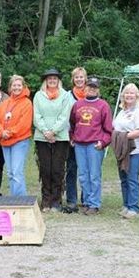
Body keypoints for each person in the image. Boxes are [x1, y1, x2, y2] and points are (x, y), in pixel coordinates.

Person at [70, 77, 113, 216]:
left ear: (98, 90)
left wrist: (103, 142)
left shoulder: (103, 105)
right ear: (85, 88)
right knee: (83, 175)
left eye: (94, 87)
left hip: (94, 145)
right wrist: (72, 137)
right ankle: (87, 202)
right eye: (89, 87)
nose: (91, 89)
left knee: (94, 175)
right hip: (79, 145)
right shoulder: (78, 104)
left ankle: (94, 204)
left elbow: (108, 129)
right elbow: (72, 123)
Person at [33, 68, 75, 212]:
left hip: (60, 137)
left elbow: (65, 116)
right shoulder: (38, 96)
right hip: (42, 137)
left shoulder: (65, 96)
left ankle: (56, 201)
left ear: (59, 81)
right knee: (45, 169)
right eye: (49, 79)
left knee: (57, 169)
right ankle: (46, 200)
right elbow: (36, 115)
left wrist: (53, 132)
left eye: (55, 79)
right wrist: (45, 131)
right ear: (46, 81)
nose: (52, 81)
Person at [0, 75, 33, 197]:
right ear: (10, 87)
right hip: (5, 142)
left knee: (16, 172)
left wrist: (8, 133)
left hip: (19, 141)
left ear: (23, 87)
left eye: (19, 85)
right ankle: (14, 198)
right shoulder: (4, 104)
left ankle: (20, 200)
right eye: (14, 85)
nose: (16, 88)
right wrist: (1, 132)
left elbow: (24, 124)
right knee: (10, 173)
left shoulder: (26, 103)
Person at [112, 83, 139, 219]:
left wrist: (123, 137)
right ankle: (126, 205)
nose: (129, 95)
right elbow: (115, 126)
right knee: (123, 178)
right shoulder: (122, 111)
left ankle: (134, 208)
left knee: (132, 177)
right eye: (126, 93)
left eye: (132, 93)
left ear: (137, 96)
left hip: (135, 149)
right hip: (122, 149)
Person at [62, 66, 88, 213]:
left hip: (88, 138)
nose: (79, 79)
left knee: (86, 170)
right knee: (72, 169)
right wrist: (70, 136)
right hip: (72, 138)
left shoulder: (91, 94)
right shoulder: (67, 96)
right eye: (76, 77)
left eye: (81, 77)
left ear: (85, 78)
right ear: (73, 79)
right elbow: (66, 117)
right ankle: (72, 200)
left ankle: (86, 199)